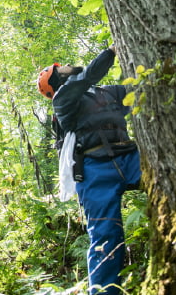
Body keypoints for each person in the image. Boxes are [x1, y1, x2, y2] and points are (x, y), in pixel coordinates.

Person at [37, 45, 141, 295]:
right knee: (106, 237)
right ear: (57, 78)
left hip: (130, 156)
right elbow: (88, 75)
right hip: (95, 170)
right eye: (60, 68)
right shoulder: (64, 98)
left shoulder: (104, 92)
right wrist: (111, 51)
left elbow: (137, 93)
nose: (67, 66)